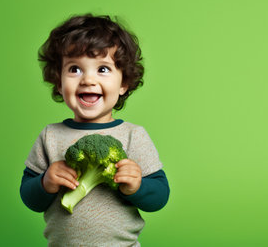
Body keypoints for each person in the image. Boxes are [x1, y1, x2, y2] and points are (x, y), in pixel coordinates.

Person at [20, 14, 170, 247]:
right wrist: (45, 182)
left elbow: (160, 196)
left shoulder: (133, 135)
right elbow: (29, 197)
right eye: (75, 69)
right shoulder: (50, 136)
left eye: (102, 69)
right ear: (59, 82)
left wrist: (138, 186)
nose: (88, 80)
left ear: (124, 83)